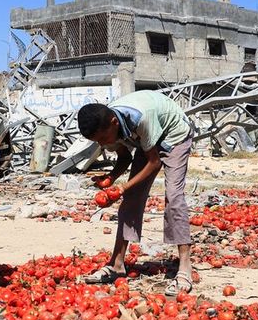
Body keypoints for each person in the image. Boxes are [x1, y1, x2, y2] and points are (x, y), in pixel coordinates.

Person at [77, 91, 194, 296]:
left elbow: (154, 162)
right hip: (147, 141)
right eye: (99, 141)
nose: (103, 145)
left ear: (114, 122)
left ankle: (185, 268)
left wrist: (122, 187)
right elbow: (124, 158)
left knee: (174, 197)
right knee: (131, 199)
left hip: (175, 135)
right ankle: (117, 264)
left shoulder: (141, 117)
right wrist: (111, 178)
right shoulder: (107, 128)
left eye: (103, 139)